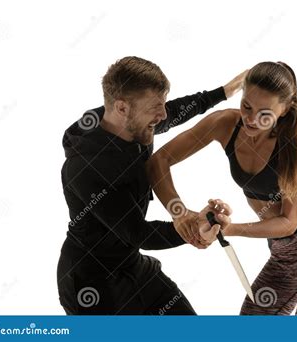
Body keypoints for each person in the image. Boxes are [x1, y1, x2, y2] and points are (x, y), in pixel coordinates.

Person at [148, 61, 297, 315]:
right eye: (246, 106)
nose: (251, 119)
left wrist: (229, 228)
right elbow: (159, 161)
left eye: (264, 114)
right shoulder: (225, 124)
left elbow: (289, 223)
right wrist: (179, 213)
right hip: (282, 254)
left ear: (285, 110)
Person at [57, 56, 241, 315]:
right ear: (121, 108)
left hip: (133, 266)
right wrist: (194, 228)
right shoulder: (87, 168)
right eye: (155, 107)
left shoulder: (134, 125)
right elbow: (139, 233)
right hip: (92, 286)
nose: (163, 115)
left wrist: (227, 90)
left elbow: (177, 111)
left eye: (163, 103)